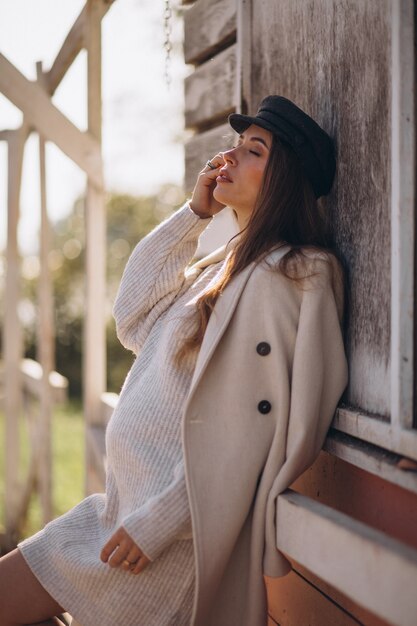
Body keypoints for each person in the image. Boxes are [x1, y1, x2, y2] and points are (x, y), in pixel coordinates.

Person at [0, 95, 348, 626]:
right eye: (233, 146)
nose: (229, 158)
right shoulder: (225, 266)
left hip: (159, 540)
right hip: (114, 512)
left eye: (253, 150)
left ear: (285, 178)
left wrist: (160, 523)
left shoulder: (293, 275)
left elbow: (251, 429)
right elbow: (132, 318)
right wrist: (193, 215)